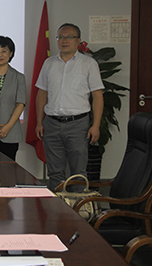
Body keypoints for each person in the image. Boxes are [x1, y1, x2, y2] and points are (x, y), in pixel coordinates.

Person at [35, 23, 104, 190]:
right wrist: (39, 122)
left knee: (78, 172)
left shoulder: (88, 63)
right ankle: (57, 205)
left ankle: (77, 205)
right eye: (60, 37)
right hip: (52, 124)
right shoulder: (49, 63)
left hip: (78, 125)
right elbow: (42, 94)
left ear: (78, 40)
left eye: (69, 37)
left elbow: (97, 96)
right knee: (55, 173)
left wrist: (95, 126)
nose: (64, 41)